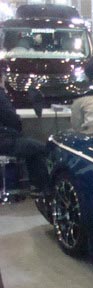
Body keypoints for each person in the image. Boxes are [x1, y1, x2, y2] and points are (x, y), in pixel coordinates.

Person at [0, 60, 47, 193]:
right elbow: (12, 119)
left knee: (30, 146)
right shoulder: (0, 96)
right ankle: (43, 189)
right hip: (4, 140)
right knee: (40, 148)